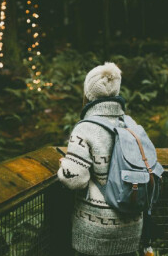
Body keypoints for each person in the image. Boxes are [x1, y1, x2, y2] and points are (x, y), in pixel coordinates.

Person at [57, 62, 142, 256]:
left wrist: (65, 167)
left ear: (89, 92)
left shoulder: (85, 128)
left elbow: (74, 179)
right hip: (131, 224)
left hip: (96, 230)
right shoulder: (131, 125)